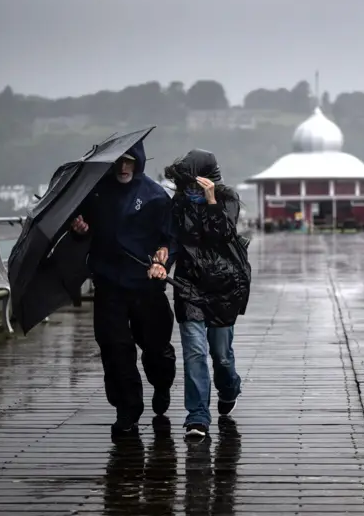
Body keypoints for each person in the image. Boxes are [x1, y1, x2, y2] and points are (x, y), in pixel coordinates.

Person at [71, 140, 177, 438]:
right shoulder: (94, 194)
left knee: (156, 348)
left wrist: (163, 260)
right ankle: (127, 410)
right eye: (118, 162)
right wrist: (80, 232)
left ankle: (162, 383)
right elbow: (85, 234)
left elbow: (169, 239)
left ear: (138, 161)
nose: (123, 167)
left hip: (146, 284)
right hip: (108, 284)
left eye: (129, 161)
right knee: (115, 349)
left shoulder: (156, 196)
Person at [152, 149, 251, 440]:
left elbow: (222, 235)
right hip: (189, 285)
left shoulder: (227, 198)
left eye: (196, 184)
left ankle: (230, 387)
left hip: (224, 285)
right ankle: (197, 415)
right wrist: (161, 262)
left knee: (221, 356)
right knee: (195, 352)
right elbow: (171, 240)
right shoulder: (178, 204)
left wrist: (210, 202)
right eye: (187, 185)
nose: (191, 190)